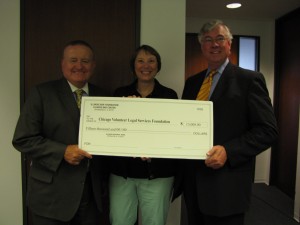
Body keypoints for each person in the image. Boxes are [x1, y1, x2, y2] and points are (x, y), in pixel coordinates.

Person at [181, 20, 278, 225]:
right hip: (194, 184)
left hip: (227, 186)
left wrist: (228, 150)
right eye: (208, 40)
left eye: (220, 39)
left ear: (229, 45)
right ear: (202, 46)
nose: (214, 44)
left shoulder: (249, 80)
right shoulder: (192, 83)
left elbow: (268, 130)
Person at [12, 40, 108, 225]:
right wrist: (62, 151)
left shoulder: (104, 96)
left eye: (85, 61)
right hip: (51, 197)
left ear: (93, 65)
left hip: (91, 197)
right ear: (62, 63)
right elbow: (23, 139)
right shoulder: (42, 93)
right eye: (73, 60)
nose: (79, 66)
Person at [109, 45, 179, 225]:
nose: (145, 65)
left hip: (158, 174)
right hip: (122, 174)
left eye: (151, 61)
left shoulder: (169, 95)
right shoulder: (120, 95)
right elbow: (112, 132)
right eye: (140, 61)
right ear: (133, 65)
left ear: (158, 65)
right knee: (120, 221)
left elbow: (173, 133)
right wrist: (125, 109)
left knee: (154, 222)